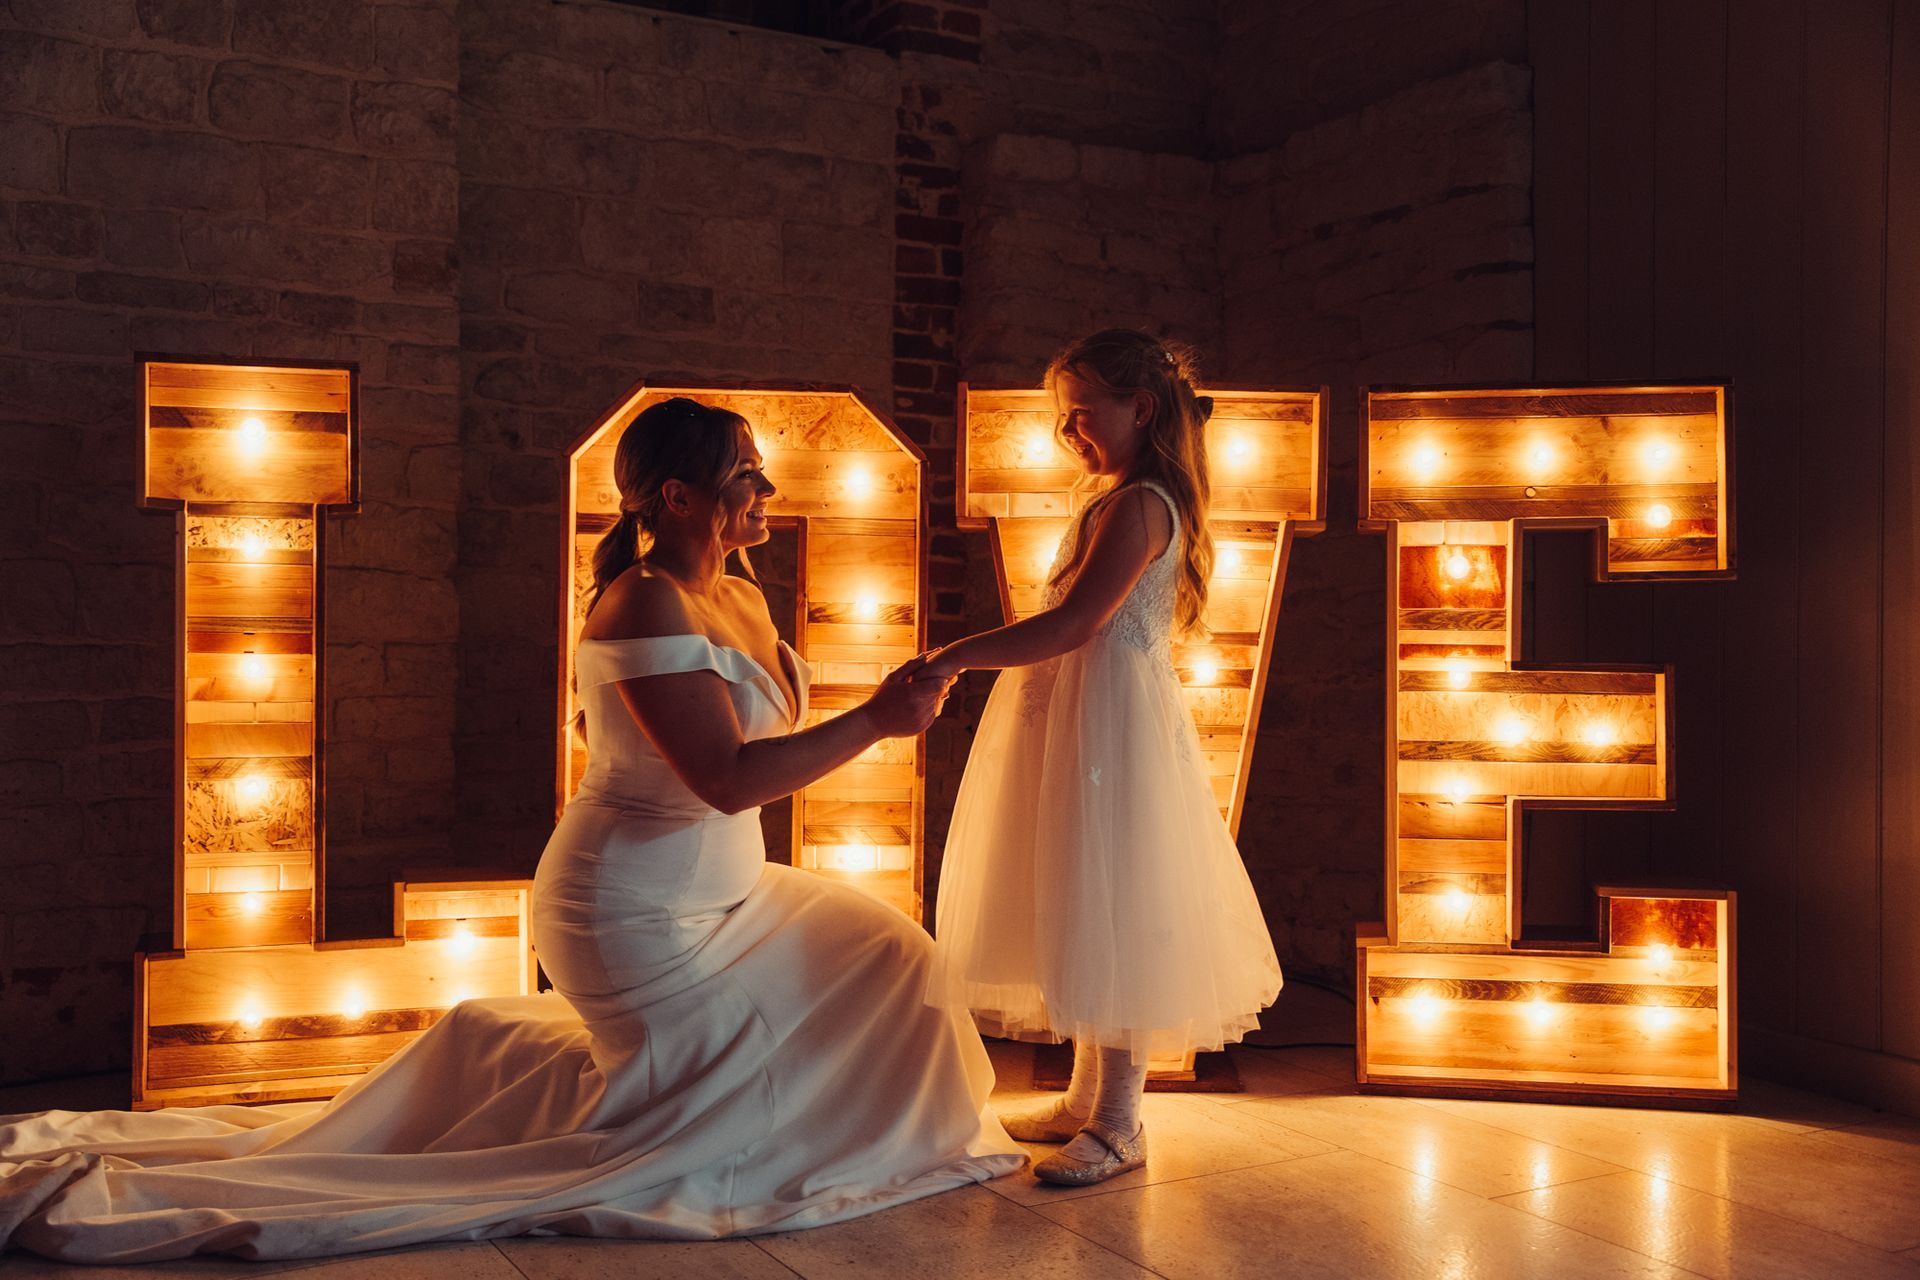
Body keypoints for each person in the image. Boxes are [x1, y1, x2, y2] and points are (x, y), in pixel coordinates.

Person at [0, 397, 1023, 1263]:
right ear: (678, 496)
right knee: (710, 1108)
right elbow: (722, 777)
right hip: (636, 903)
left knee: (895, 955)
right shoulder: (640, 608)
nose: (764, 491)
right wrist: (879, 724)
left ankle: (851, 1131)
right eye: (746, 474)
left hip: (734, 893)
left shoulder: (741, 594)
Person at [918, 330, 1283, 1187]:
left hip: (1111, 724)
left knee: (1114, 895)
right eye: (1064, 417)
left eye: (1081, 415)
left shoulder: (1143, 503)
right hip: (1076, 716)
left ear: (1140, 409)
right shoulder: (1110, 495)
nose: (1067, 433)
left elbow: (1077, 621)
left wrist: (956, 655)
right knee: (1079, 887)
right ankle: (1087, 1095)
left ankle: (1121, 1122)